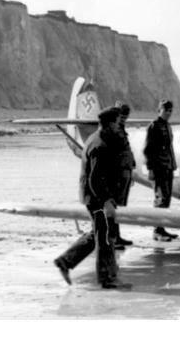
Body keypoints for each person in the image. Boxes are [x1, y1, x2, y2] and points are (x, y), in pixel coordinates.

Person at [53, 107, 130, 289]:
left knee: (100, 231)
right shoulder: (99, 145)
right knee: (104, 235)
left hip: (94, 195)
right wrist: (106, 201)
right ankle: (107, 279)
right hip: (96, 196)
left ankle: (65, 261)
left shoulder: (98, 138)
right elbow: (95, 179)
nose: (119, 126)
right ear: (110, 123)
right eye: (117, 122)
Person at [144, 99, 178, 241]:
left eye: (170, 111)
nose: (168, 113)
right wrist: (150, 169)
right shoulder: (154, 126)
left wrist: (173, 163)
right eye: (165, 110)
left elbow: (169, 147)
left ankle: (162, 228)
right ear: (159, 110)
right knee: (160, 198)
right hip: (158, 167)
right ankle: (157, 231)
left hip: (167, 167)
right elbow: (148, 150)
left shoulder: (167, 126)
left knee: (167, 198)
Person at [112, 101, 135, 249]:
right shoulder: (113, 130)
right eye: (121, 116)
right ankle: (113, 238)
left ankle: (117, 236)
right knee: (115, 206)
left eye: (125, 117)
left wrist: (132, 168)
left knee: (121, 207)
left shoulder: (122, 129)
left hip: (125, 173)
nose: (123, 119)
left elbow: (127, 151)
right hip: (117, 174)